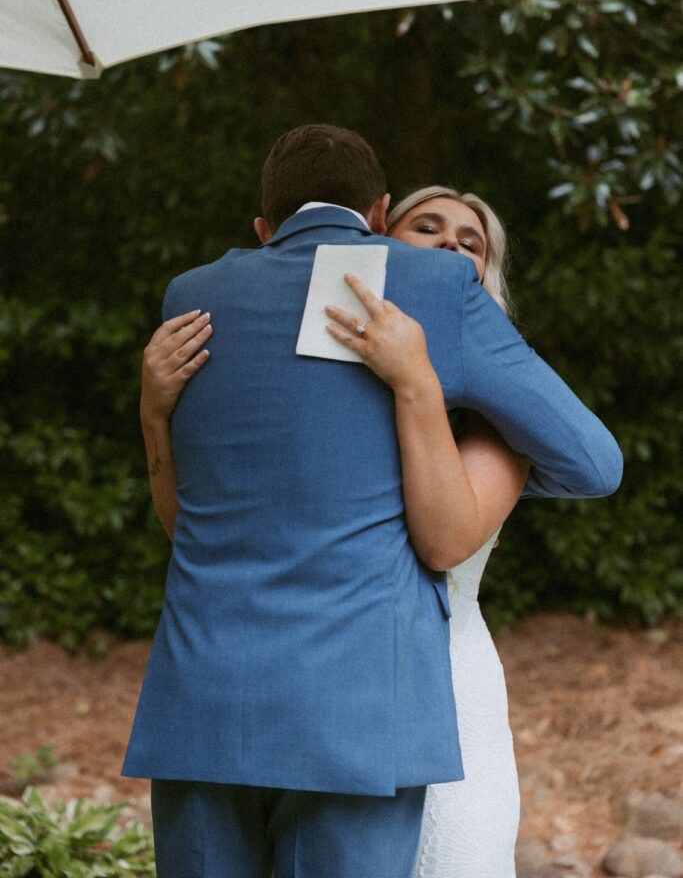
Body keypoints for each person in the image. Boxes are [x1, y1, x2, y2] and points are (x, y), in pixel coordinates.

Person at [123, 124, 622, 878]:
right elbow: (594, 463)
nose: (449, 249)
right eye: (428, 227)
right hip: (357, 707)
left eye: (468, 239)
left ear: (264, 229)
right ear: (381, 216)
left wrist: (153, 414)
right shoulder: (436, 291)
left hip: (205, 698)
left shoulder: (192, 296)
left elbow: (187, 524)